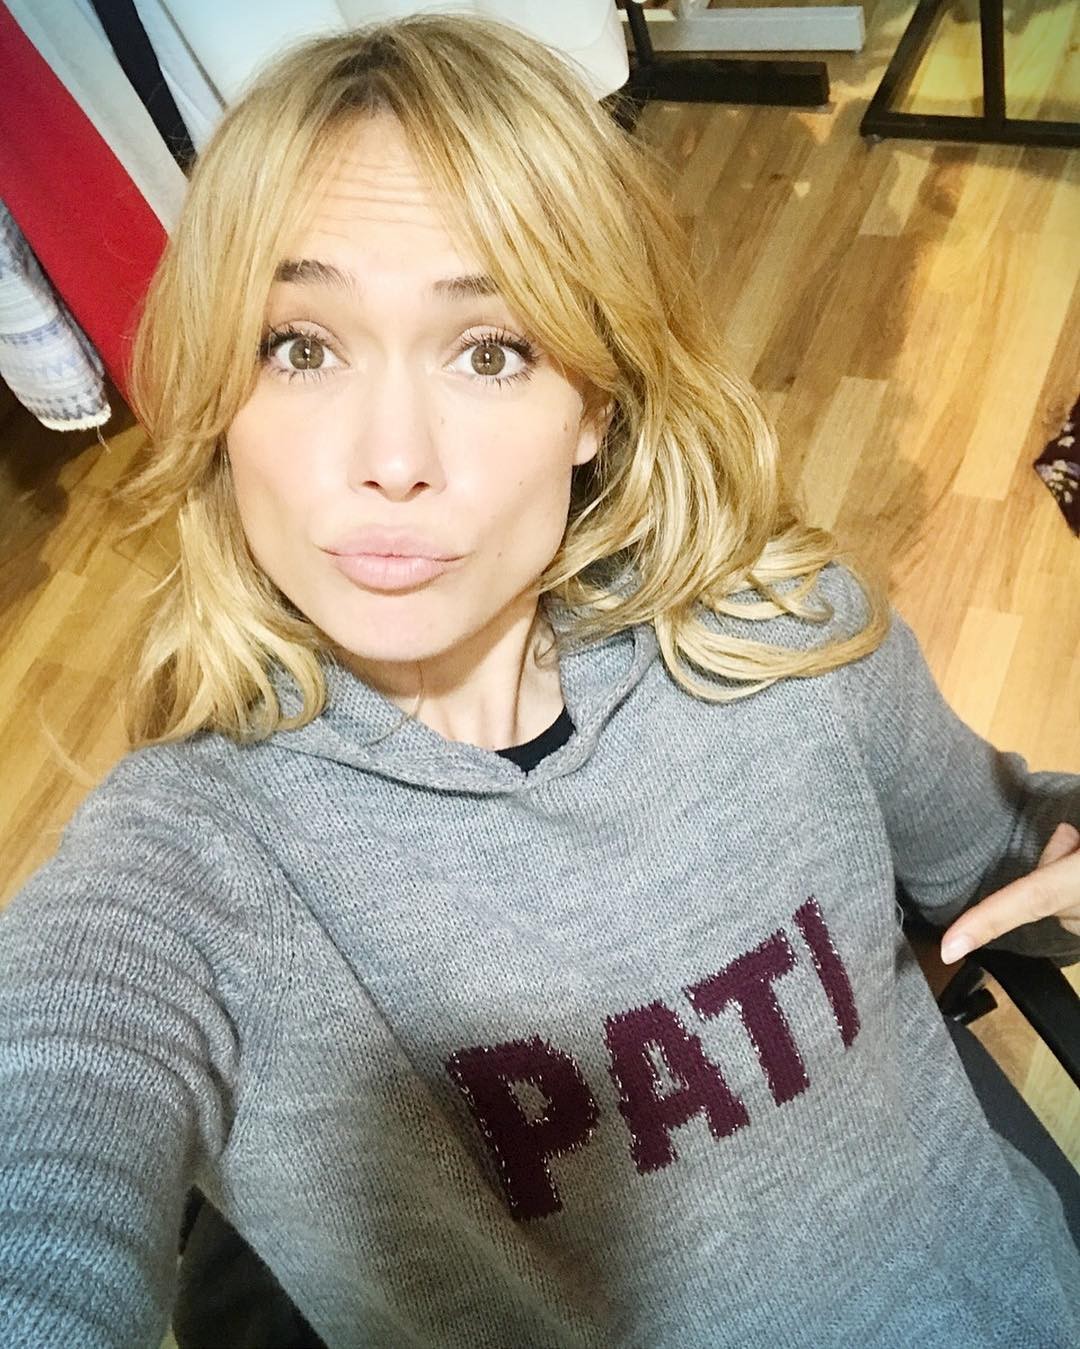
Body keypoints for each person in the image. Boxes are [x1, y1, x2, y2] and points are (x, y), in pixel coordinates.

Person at [1, 12, 1078, 1349]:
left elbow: (1008, 863)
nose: (393, 458)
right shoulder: (185, 873)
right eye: (301, 345)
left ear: (595, 406)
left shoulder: (783, 632)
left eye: (489, 350)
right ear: (224, 395)